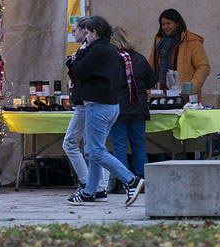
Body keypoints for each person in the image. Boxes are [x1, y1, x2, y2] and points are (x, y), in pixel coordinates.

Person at [66, 16, 144, 207]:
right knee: (95, 151)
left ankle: (131, 180)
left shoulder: (98, 50)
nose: (85, 35)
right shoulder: (110, 50)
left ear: (94, 33)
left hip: (97, 105)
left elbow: (78, 72)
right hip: (110, 106)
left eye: (87, 32)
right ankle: (91, 192)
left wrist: (73, 61)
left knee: (95, 151)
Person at [62, 16, 109, 200]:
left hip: (85, 103)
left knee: (72, 143)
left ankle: (88, 183)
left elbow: (80, 74)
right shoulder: (91, 50)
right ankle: (98, 187)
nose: (74, 33)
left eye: (79, 30)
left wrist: (73, 62)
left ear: (87, 31)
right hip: (86, 102)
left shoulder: (89, 50)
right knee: (92, 146)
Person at [108, 26, 156, 185]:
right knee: (139, 144)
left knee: (119, 146)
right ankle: (143, 179)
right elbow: (151, 81)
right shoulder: (140, 59)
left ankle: (124, 181)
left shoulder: (110, 60)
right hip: (138, 107)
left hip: (118, 108)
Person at [148, 9, 210, 99]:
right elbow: (151, 68)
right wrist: (149, 90)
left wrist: (190, 89)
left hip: (184, 97)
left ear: (177, 24)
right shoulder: (158, 43)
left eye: (169, 23)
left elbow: (203, 67)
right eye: (163, 24)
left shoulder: (192, 41)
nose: (165, 27)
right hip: (160, 96)